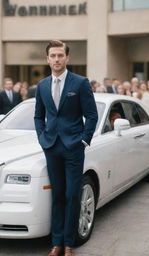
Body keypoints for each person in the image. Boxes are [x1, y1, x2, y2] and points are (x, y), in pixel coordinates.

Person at [34, 40, 98, 256]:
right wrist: (42, 138)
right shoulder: (42, 85)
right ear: (47, 59)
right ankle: (57, 243)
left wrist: (84, 140)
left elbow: (91, 115)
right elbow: (38, 116)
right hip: (51, 147)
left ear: (67, 58)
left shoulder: (80, 83)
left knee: (72, 194)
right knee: (57, 195)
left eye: (60, 55)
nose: (57, 59)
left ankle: (69, 244)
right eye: (53, 56)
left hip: (73, 147)